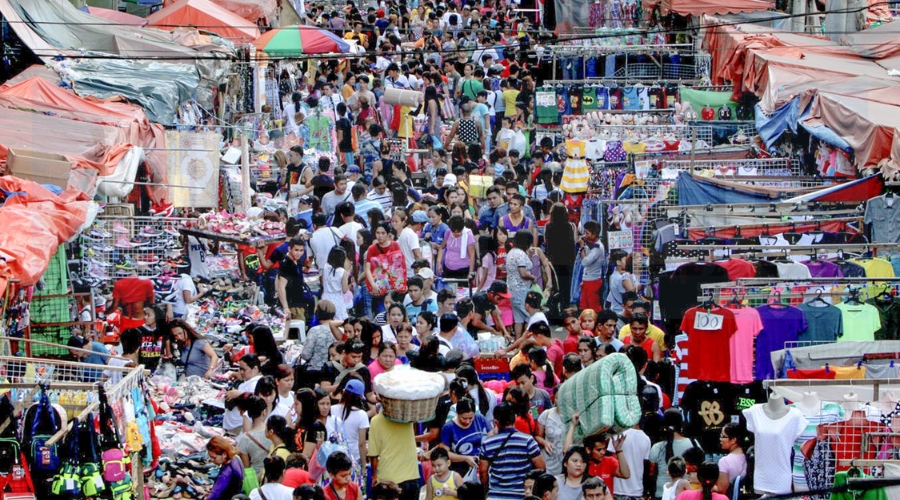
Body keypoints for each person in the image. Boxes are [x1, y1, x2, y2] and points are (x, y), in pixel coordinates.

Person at [479, 403, 546, 500]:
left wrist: (486, 491)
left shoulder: (487, 443)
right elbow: (541, 468)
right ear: (515, 418)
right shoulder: (528, 441)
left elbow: (483, 472)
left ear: (496, 422)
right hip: (521, 495)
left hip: (495, 495)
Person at [368, 410, 421, 500]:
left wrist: (374, 476)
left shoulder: (375, 421)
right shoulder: (407, 417)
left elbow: (373, 455)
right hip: (412, 477)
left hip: (388, 480)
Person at [649, 410, 700, 500]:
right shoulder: (693, 443)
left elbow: (652, 472)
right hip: (686, 492)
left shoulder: (657, 447)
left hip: (662, 492)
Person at [439, 397, 491, 475]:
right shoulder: (449, 427)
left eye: (471, 418)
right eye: (464, 418)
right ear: (458, 413)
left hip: (483, 467)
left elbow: (491, 437)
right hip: (460, 470)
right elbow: (445, 453)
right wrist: (465, 458)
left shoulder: (480, 419)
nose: (467, 421)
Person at [299, 300, 342, 388]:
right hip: (335, 371)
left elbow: (305, 354)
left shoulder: (314, 331)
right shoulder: (341, 331)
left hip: (314, 372)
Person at [365, 222, 404, 314]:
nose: (380, 236)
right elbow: (367, 269)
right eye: (378, 233)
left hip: (392, 287)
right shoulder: (372, 249)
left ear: (388, 234)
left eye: (383, 233)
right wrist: (373, 285)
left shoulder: (395, 245)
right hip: (378, 286)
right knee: (381, 312)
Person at [331, 378, 370, 464]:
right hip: (354, 458)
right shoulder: (362, 414)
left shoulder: (331, 409)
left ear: (344, 392)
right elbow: (362, 443)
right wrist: (364, 465)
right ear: (360, 397)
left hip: (334, 456)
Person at [507, 231, 536, 338]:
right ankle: (526, 340)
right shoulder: (521, 254)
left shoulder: (511, 252)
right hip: (521, 289)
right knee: (529, 315)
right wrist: (532, 277)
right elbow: (523, 273)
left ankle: (517, 340)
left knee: (518, 318)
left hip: (511, 288)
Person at [225, 354, 264, 433]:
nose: (241, 372)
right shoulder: (251, 381)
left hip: (239, 427)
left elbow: (256, 401)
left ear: (255, 369)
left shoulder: (256, 384)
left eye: (244, 369)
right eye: (240, 369)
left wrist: (239, 394)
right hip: (235, 425)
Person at [277, 237, 307, 333]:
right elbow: (281, 286)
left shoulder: (295, 261)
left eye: (301, 250)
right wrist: (285, 307)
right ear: (290, 249)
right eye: (296, 250)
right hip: (292, 306)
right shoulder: (287, 264)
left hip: (298, 303)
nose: (299, 253)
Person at [297, 388, 337, 459]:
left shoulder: (336, 421)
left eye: (328, 403)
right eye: (322, 404)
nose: (325, 407)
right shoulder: (309, 422)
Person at [239, 396, 273, 476]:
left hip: (255, 478)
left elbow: (246, 467)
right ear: (264, 412)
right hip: (273, 474)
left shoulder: (245, 438)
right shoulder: (273, 432)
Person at [437, 215, 477, 281]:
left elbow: (472, 256)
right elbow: (441, 248)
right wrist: (439, 263)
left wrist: (470, 273)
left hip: (463, 270)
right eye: (454, 231)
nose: (456, 233)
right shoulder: (448, 232)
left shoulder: (468, 235)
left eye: (458, 231)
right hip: (448, 268)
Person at [579, 221, 606, 313]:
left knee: (593, 308)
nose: (585, 235)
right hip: (587, 279)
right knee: (584, 307)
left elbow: (584, 262)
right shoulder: (591, 244)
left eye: (587, 233)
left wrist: (582, 247)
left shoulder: (598, 248)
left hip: (593, 281)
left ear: (594, 234)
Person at [715, 423, 748, 493]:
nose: (720, 439)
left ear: (733, 440)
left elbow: (721, 489)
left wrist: (707, 486)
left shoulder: (725, 461)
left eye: (723, 436)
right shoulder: (750, 457)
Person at [138, 305, 171, 372]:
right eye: (145, 314)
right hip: (142, 369)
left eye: (148, 315)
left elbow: (168, 353)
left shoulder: (164, 331)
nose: (145, 317)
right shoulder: (139, 331)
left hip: (158, 370)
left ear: (157, 316)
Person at [322, 247, 352, 321]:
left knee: (326, 319)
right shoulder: (342, 271)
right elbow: (345, 290)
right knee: (339, 320)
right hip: (337, 299)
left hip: (325, 297)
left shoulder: (325, 267)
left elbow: (323, 283)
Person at [606, 249, 636, 316]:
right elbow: (631, 293)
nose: (628, 262)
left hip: (616, 310)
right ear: (618, 262)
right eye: (626, 260)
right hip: (621, 312)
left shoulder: (614, 275)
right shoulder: (621, 278)